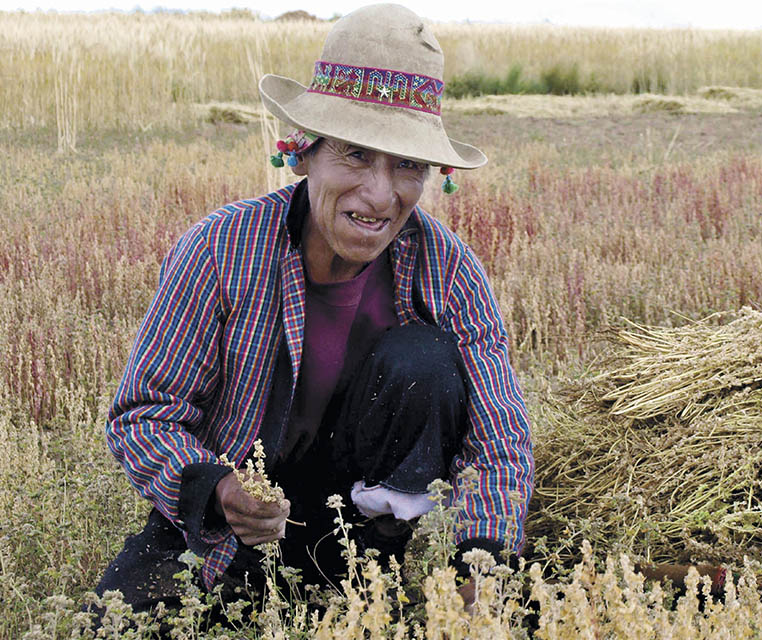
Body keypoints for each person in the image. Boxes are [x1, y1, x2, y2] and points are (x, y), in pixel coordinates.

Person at [94, 3, 533, 614]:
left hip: (353, 542)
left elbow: (498, 439)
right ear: (303, 153)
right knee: (113, 624)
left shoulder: (447, 267)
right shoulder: (222, 248)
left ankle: (369, 568)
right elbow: (143, 413)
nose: (381, 194)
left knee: (423, 358)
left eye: (407, 164)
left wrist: (480, 562)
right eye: (355, 153)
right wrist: (219, 489)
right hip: (226, 531)